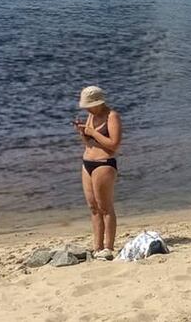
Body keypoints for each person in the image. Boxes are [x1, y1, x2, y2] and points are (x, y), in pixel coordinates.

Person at [73, 86, 122, 260]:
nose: (86, 108)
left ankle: (108, 247)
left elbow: (114, 144)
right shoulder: (91, 115)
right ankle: (97, 246)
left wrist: (93, 132)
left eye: (88, 105)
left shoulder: (112, 116)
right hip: (87, 162)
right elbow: (88, 142)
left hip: (104, 164)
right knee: (93, 208)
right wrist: (83, 132)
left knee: (105, 207)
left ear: (98, 103)